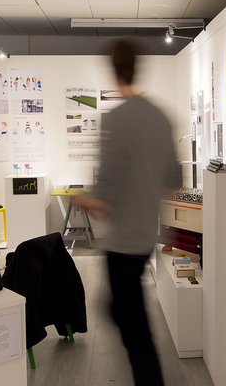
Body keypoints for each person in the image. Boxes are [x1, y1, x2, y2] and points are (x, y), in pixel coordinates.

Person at [72, 39, 180, 386]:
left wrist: (82, 200)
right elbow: (172, 181)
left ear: (114, 70)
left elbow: (105, 193)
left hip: (123, 243)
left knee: (133, 330)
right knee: (122, 312)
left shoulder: (117, 120)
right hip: (147, 234)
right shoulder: (161, 117)